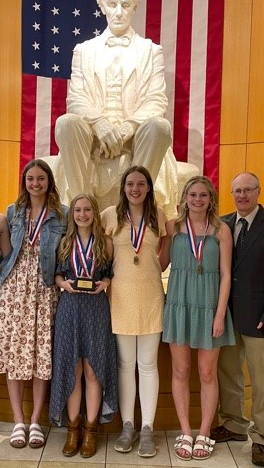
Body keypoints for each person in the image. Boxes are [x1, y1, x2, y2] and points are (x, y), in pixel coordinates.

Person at [54, 0, 175, 211]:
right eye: (112, 4)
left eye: (125, 5)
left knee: (160, 126)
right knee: (66, 123)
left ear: (135, 7)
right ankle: (83, 207)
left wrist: (128, 127)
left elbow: (157, 100)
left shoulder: (151, 50)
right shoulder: (84, 50)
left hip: (135, 138)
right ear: (102, 6)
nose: (118, 12)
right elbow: (76, 99)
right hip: (93, 137)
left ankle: (135, 207)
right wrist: (99, 123)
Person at [210, 172, 264, 467]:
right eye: (237, 191)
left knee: (261, 381)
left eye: (247, 190)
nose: (242, 196)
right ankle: (234, 424)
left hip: (260, 319)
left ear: (258, 191)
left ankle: (262, 438)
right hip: (228, 317)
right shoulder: (222, 223)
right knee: (229, 373)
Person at [0, 159, 67, 450]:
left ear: (49, 181)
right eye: (30, 178)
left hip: (45, 288)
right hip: (14, 288)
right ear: (24, 182)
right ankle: (18, 421)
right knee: (16, 357)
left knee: (40, 356)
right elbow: (6, 251)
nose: (35, 183)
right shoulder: (12, 213)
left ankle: (36, 420)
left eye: (40, 178)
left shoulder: (62, 214)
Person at [160, 176, 234, 461]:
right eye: (193, 194)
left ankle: (204, 431)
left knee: (206, 373)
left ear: (210, 199)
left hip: (209, 307)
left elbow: (226, 274)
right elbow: (162, 263)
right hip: (179, 305)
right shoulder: (174, 228)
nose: (198, 200)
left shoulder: (221, 230)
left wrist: (219, 314)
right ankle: (185, 431)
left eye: (203, 195)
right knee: (180, 372)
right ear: (185, 198)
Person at [100, 165, 167, 458]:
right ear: (123, 187)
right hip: (121, 299)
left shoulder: (159, 217)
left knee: (148, 364)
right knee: (126, 365)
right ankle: (128, 426)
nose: (135, 189)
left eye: (141, 184)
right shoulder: (109, 216)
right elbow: (104, 259)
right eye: (130, 184)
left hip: (151, 297)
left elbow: (161, 263)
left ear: (149, 187)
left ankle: (148, 428)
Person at [50, 194, 118, 458]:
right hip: (69, 308)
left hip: (96, 309)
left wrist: (107, 283)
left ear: (95, 212)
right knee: (71, 368)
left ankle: (91, 429)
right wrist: (61, 283)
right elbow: (56, 272)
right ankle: (72, 428)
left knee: (93, 370)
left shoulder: (106, 243)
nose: (82, 214)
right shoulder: (64, 242)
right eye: (77, 210)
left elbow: (112, 273)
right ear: (72, 214)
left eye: (87, 209)